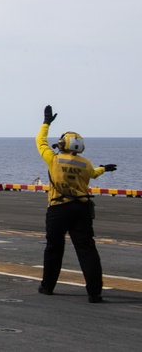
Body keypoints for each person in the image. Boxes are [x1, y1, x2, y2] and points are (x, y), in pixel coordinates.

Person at [36, 105, 118, 303]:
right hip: (81, 209)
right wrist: (103, 168)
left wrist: (46, 122)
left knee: (54, 248)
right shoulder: (85, 163)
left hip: (58, 208)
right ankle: (94, 293)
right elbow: (93, 173)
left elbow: (40, 142)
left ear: (63, 143)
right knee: (87, 250)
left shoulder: (54, 159)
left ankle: (47, 287)